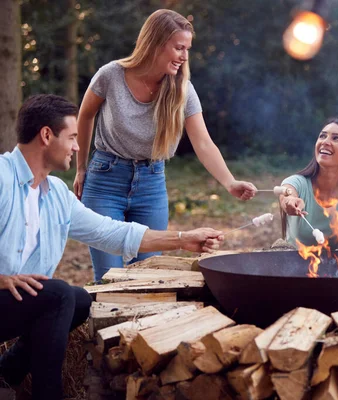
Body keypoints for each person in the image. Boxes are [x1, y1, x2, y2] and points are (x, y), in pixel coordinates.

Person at [0, 94, 225, 400]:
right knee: (59, 295)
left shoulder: (57, 197)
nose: (79, 147)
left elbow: (112, 232)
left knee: (77, 300)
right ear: (46, 135)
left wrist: (183, 239)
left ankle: (6, 373)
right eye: (73, 138)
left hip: (12, 304)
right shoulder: (2, 177)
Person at [74, 9, 256, 281]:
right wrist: (81, 168)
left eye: (187, 49)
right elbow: (85, 114)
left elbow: (203, 143)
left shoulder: (182, 89)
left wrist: (229, 182)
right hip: (105, 182)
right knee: (109, 278)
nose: (184, 56)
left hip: (151, 185)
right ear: (156, 44)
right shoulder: (111, 75)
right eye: (179, 48)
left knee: (147, 277)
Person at [280, 118, 338, 250]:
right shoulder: (297, 182)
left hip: (336, 264)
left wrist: (333, 269)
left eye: (336, 138)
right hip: (293, 263)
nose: (326, 142)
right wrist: (289, 202)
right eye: (322, 136)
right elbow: (287, 193)